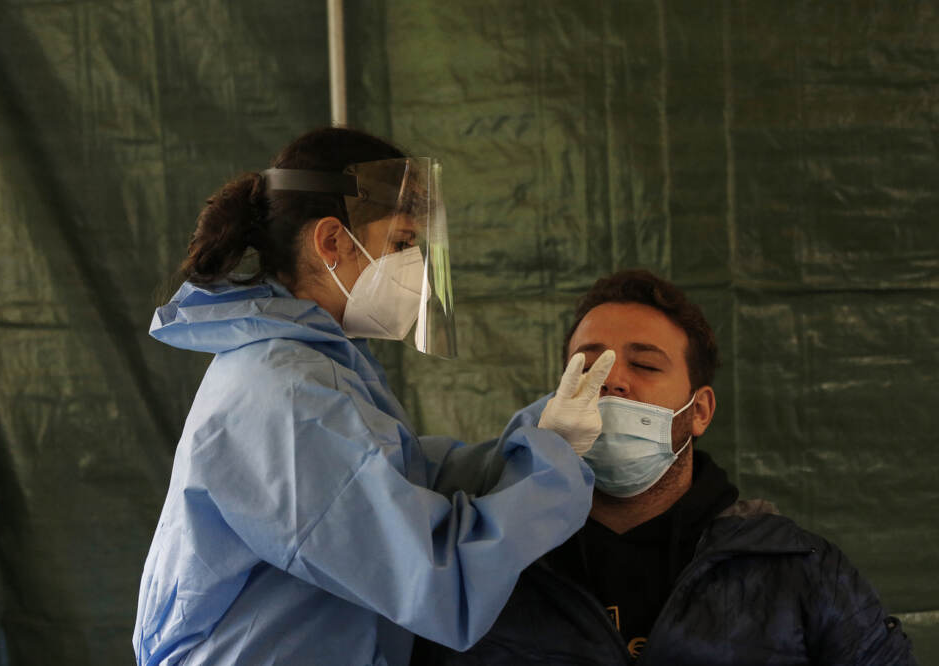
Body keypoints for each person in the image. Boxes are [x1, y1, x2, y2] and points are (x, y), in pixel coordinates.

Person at [132, 127, 618, 666]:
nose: (417, 267)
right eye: (404, 244)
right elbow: (439, 581)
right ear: (332, 242)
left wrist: (539, 435)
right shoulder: (288, 396)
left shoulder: (309, 366)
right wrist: (550, 466)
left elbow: (404, 478)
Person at [412, 269, 917, 665]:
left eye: (646, 365)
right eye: (587, 366)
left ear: (700, 411)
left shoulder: (797, 569)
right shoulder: (493, 565)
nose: (612, 382)